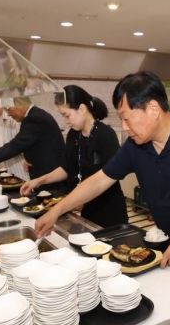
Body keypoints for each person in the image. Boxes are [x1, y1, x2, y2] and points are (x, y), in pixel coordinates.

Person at [35, 71, 170, 290]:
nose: (123, 126)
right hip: (168, 246)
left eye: (126, 117)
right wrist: (56, 211)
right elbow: (99, 180)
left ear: (152, 109)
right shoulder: (136, 147)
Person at [20, 85, 127, 227]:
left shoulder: (105, 135)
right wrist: (39, 181)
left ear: (82, 109)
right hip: (86, 210)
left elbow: (108, 178)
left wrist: (83, 201)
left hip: (109, 211)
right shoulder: (73, 135)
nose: (66, 121)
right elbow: (66, 168)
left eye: (67, 115)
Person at [0, 97, 65, 191]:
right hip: (45, 175)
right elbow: (32, 144)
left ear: (19, 103)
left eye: (8, 109)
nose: (8, 114)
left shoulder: (34, 118)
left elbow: (15, 145)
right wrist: (29, 157)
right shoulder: (33, 115)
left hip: (52, 178)